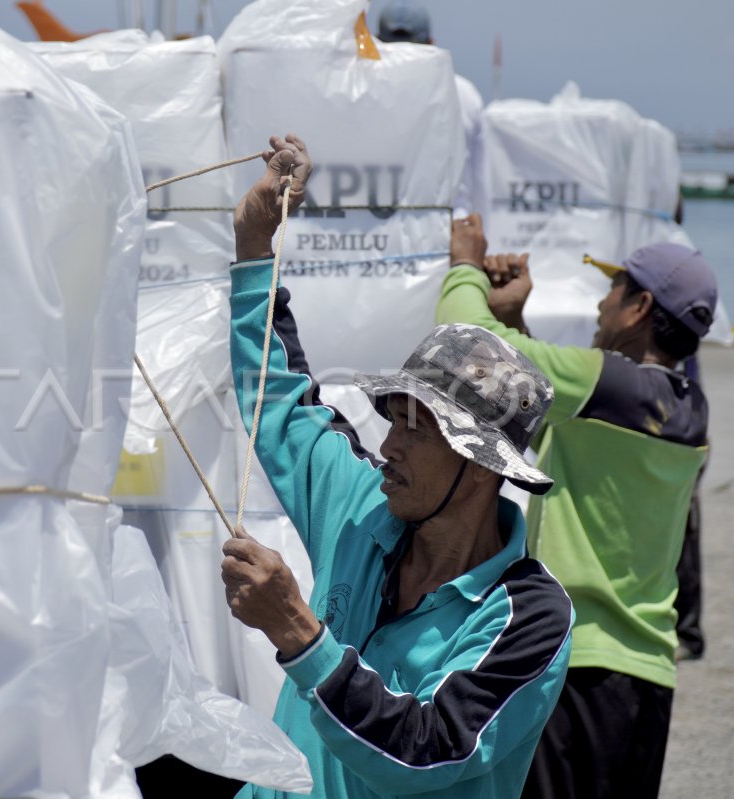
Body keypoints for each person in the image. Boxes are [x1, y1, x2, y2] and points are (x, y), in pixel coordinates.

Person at [220, 135, 573, 799]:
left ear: (481, 465)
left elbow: (428, 747)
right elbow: (283, 403)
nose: (388, 447)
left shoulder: (529, 616)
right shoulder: (363, 505)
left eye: (420, 429)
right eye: (393, 419)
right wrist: (254, 250)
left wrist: (298, 631)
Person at [439, 218, 716, 798]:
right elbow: (557, 424)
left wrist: (465, 263)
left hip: (577, 667)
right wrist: (516, 321)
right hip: (647, 678)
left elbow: (466, 345)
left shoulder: (612, 383)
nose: (600, 304)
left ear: (639, 307)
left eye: (612, 291)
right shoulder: (686, 407)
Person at [376, 0, 484, 215]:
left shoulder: (364, 91)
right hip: (451, 229)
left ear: (376, 42)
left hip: (381, 230)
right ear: (431, 44)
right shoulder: (464, 93)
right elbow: (480, 179)